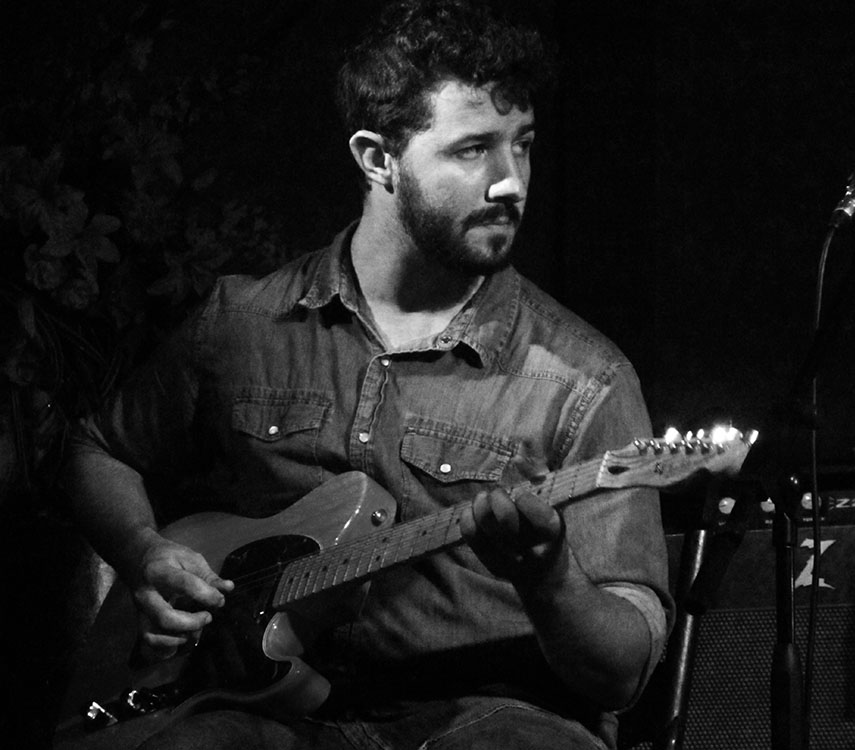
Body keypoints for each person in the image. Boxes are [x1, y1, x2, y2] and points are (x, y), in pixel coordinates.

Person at [63, 1, 673, 748]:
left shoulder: (586, 379)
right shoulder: (242, 324)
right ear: (377, 159)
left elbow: (621, 675)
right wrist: (144, 553)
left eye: (524, 145)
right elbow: (99, 449)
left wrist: (549, 578)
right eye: (473, 149)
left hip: (489, 716)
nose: (512, 182)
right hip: (263, 710)